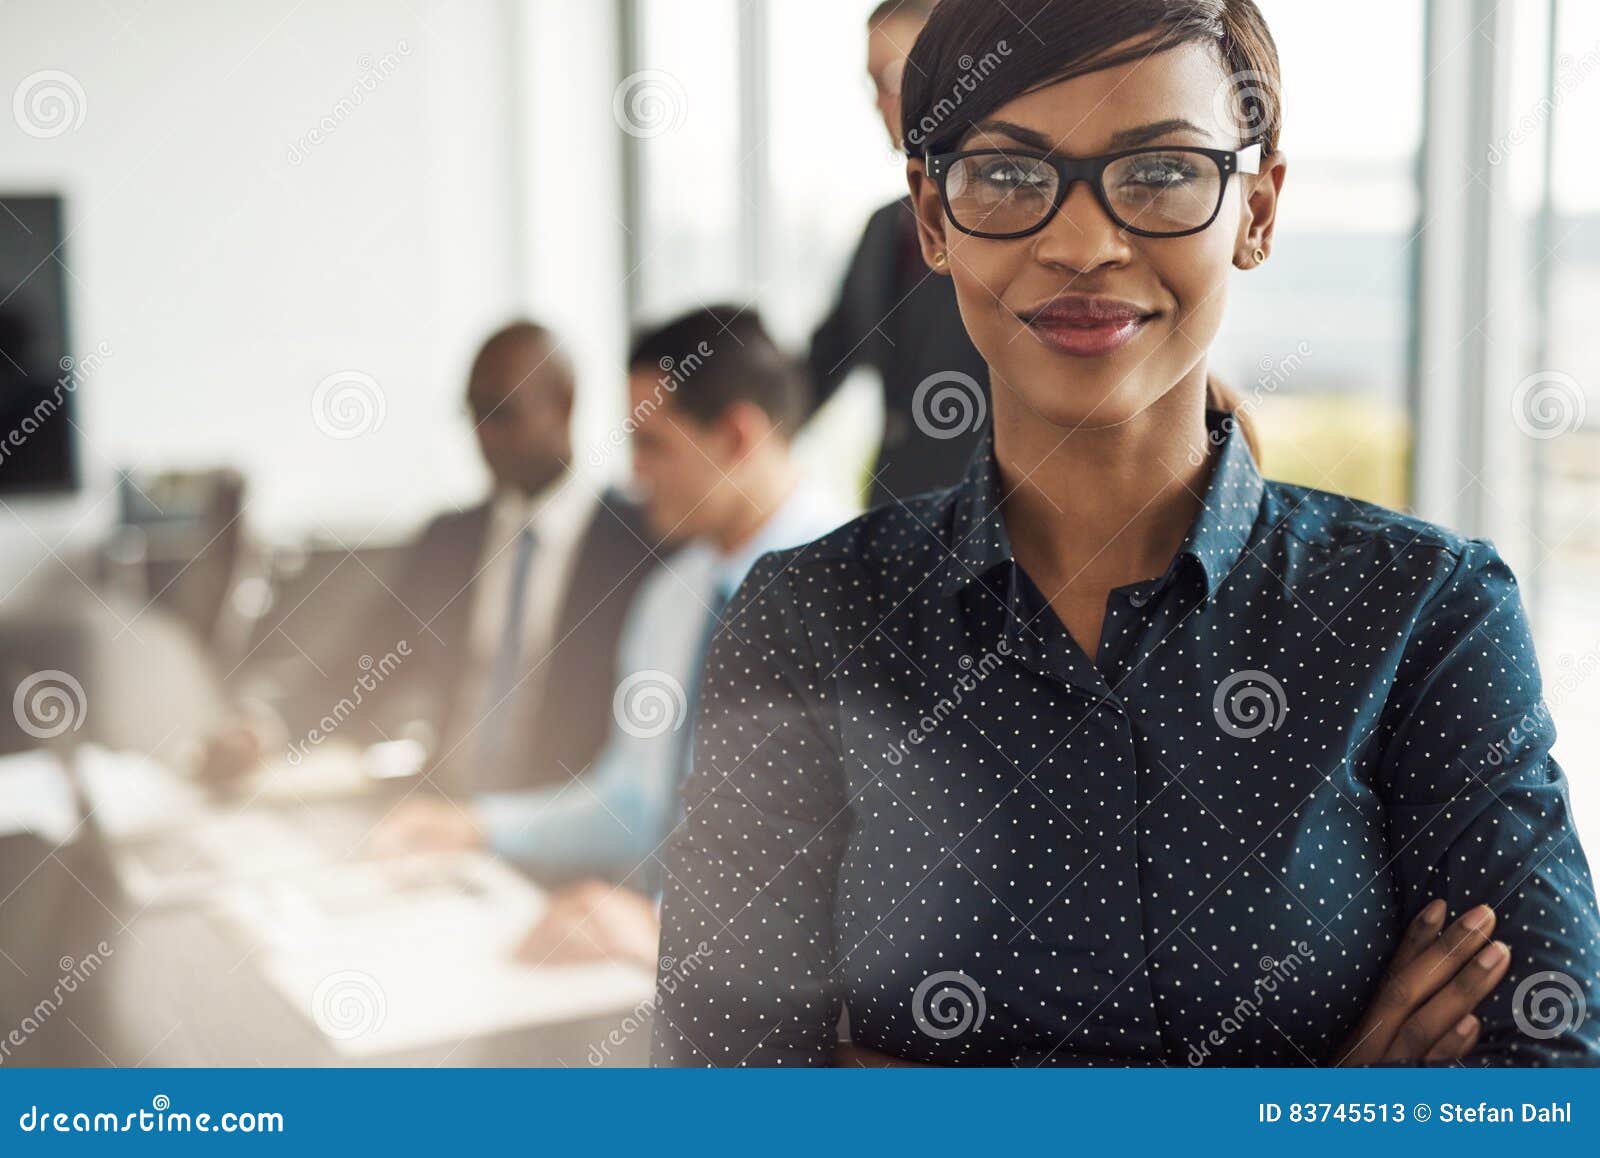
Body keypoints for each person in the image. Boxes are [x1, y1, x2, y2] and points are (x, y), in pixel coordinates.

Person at [653, 0, 1600, 1067]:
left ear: (1257, 207)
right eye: (1008, 176)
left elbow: (1545, 1089)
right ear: (931, 216)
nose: (1080, 243)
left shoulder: (1426, 614)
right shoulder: (805, 620)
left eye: (1158, 173)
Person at [372, 307, 853, 967]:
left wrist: (667, 932)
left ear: (737, 437)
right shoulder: (669, 597)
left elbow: (883, 877)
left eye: (653, 445)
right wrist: (479, 826)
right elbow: (632, 801)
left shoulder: (867, 595)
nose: (635, 475)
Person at [203, 322, 660, 797]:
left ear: (562, 405)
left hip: (565, 833)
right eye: (474, 413)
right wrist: (268, 727)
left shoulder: (637, 544)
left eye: (500, 412)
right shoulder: (449, 541)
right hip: (439, 813)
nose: (483, 435)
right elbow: (365, 664)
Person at [806, 0, 991, 509]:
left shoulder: (1013, 222)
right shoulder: (885, 227)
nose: (879, 102)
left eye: (891, 76)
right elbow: (827, 358)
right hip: (897, 513)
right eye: (872, 84)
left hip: (990, 520)